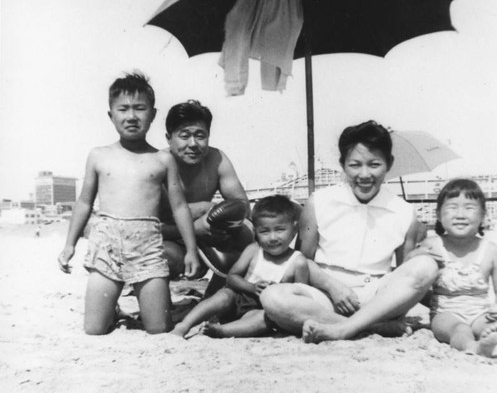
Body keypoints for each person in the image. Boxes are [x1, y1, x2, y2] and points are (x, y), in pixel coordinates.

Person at [260, 120, 439, 342]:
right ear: (343, 164)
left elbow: (404, 274)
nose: (364, 175)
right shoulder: (320, 202)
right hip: (325, 296)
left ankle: (347, 328)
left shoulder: (404, 212)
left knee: (425, 266)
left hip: (377, 298)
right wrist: (332, 287)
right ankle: (371, 328)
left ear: (389, 164)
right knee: (273, 297)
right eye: (355, 165)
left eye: (374, 165)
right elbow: (301, 261)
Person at [58, 72, 199, 335]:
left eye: (139, 108)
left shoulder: (162, 160)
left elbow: (180, 206)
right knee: (94, 329)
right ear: (111, 115)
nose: (131, 116)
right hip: (106, 244)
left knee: (158, 328)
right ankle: (112, 309)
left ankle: (150, 301)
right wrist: (69, 245)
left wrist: (191, 249)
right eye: (123, 109)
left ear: (153, 114)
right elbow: (84, 203)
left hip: (147, 247)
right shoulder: (99, 156)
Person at [171, 195, 309, 338]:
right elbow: (232, 277)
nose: (272, 238)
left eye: (280, 230)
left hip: (263, 309)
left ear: (294, 229)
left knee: (264, 319)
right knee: (224, 295)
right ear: (256, 232)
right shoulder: (254, 250)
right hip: (238, 299)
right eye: (265, 231)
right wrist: (252, 287)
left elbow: (301, 299)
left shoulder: (297, 262)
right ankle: (184, 326)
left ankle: (222, 331)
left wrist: (280, 294)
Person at [161, 100, 254, 292]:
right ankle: (161, 305)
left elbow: (243, 206)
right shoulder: (156, 164)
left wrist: (215, 215)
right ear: (168, 138)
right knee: (164, 257)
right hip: (167, 238)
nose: (193, 144)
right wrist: (195, 223)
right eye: (184, 136)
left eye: (200, 136)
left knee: (248, 231)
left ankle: (215, 297)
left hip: (207, 238)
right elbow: (143, 227)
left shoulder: (216, 159)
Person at [408, 178, 497, 357]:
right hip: (445, 313)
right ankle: (475, 348)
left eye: (469, 207)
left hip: (480, 312)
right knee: (459, 330)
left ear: (483, 215)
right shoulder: (432, 245)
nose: (460, 214)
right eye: (452, 207)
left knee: (493, 327)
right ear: (438, 215)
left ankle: (491, 342)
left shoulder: (491, 251)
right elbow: (409, 276)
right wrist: (416, 255)